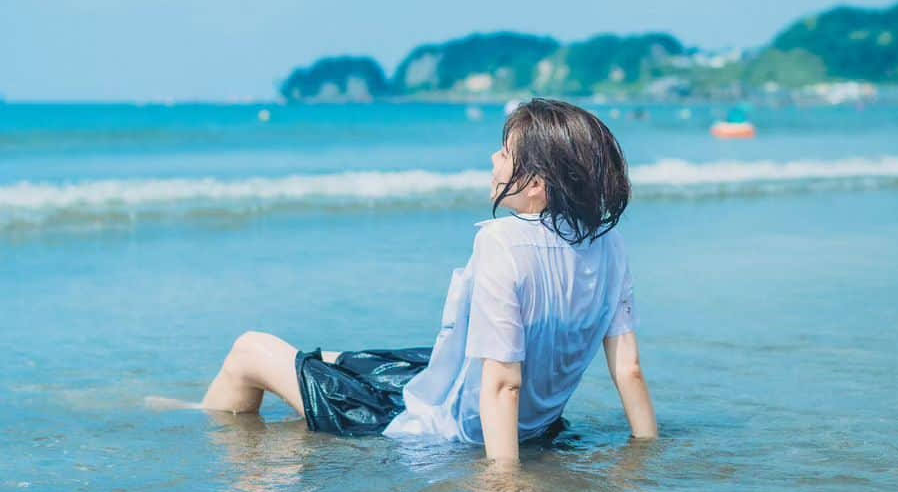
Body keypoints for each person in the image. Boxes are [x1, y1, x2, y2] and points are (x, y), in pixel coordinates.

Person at [193, 98, 657, 462]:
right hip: (533, 422)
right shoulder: (607, 243)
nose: (494, 159)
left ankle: (202, 423)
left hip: (451, 430)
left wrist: (505, 486)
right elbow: (628, 368)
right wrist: (646, 449)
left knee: (248, 350)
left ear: (535, 183)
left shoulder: (501, 243)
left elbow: (503, 385)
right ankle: (291, 382)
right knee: (348, 358)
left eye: (505, 153)